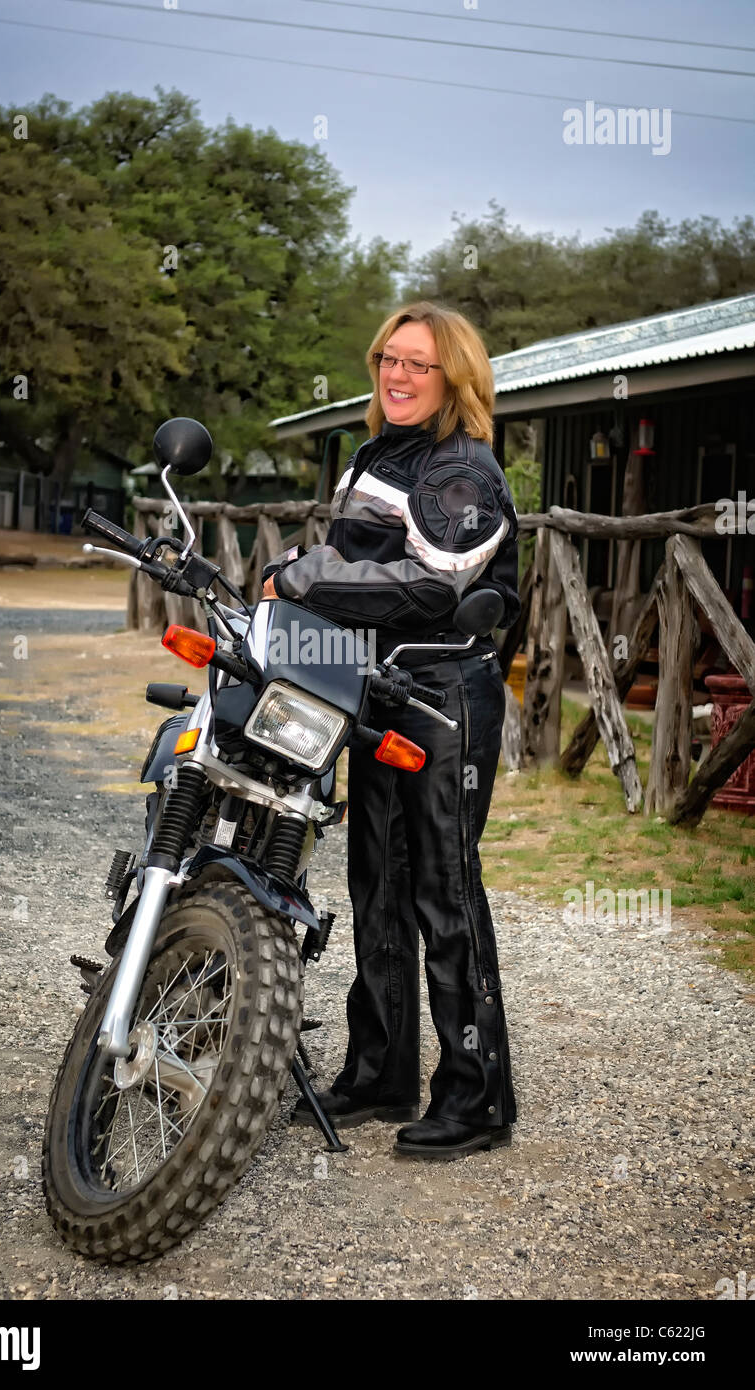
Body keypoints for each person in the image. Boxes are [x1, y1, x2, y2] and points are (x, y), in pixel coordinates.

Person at [260, 301, 519, 1158]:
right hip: (379, 687)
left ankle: (477, 1098)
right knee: (377, 881)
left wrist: (303, 578)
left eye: (419, 363)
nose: (397, 375)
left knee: (443, 890)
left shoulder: (462, 470)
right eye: (387, 360)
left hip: (446, 694)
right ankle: (379, 1070)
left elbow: (428, 589)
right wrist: (304, 581)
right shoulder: (380, 452)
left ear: (456, 377)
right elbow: (359, 565)